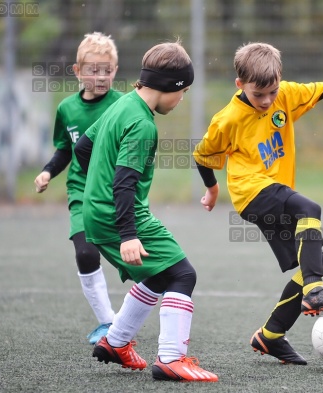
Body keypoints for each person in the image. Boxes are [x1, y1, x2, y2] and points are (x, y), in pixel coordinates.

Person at [193, 42, 323, 365]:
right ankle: (315, 291)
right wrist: (211, 190)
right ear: (240, 85)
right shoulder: (228, 119)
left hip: (273, 194)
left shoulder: (286, 95)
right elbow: (203, 156)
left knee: (313, 263)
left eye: (271, 92)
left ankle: (270, 335)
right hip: (251, 193)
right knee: (310, 209)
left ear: (280, 80)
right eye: (257, 94)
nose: (266, 101)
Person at [74, 39, 218, 382]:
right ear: (171, 87)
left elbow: (83, 148)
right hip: (120, 216)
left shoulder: (122, 103)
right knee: (183, 275)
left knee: (158, 274)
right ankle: (171, 359)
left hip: (96, 212)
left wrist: (96, 188)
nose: (182, 100)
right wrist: (128, 234)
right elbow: (123, 184)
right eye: (183, 92)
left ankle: (115, 342)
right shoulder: (143, 125)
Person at [34, 32, 122, 344]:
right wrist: (47, 172)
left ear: (115, 69)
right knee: (85, 253)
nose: (100, 77)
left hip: (116, 193)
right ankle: (108, 323)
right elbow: (65, 150)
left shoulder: (124, 105)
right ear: (77, 71)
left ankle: (142, 312)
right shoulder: (67, 110)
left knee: (136, 259)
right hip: (81, 192)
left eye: (106, 70)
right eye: (93, 70)